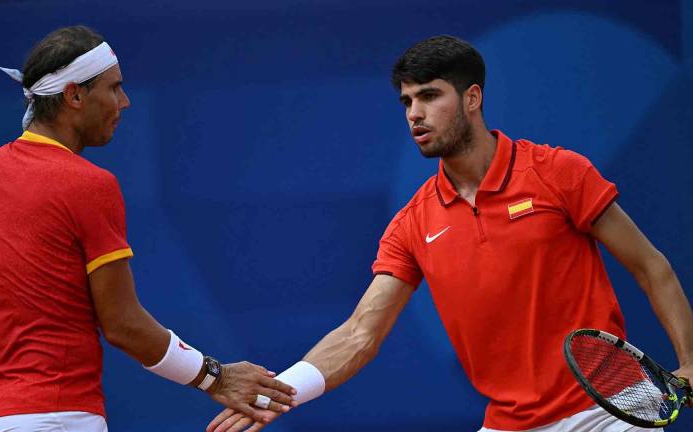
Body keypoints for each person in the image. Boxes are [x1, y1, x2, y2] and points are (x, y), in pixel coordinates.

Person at [206, 35, 693, 432]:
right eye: (406, 101)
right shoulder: (413, 222)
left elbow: (651, 267)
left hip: (607, 409)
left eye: (429, 95)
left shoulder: (557, 172)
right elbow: (360, 333)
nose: (413, 113)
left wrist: (689, 362)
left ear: (472, 98)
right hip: (508, 423)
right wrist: (282, 390)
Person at [0, 25, 296, 432]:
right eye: (113, 88)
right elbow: (122, 324)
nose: (124, 101)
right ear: (75, 95)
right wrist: (216, 376)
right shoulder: (88, 184)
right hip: (59, 420)